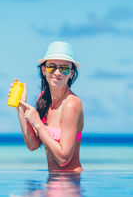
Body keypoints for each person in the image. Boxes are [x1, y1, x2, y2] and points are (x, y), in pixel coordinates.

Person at [11, 41, 84, 172]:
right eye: (52, 67)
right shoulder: (44, 99)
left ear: (71, 73)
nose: (57, 72)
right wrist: (20, 107)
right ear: (44, 71)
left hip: (70, 183)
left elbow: (63, 159)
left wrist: (38, 123)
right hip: (53, 181)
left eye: (64, 68)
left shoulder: (72, 104)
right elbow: (33, 145)